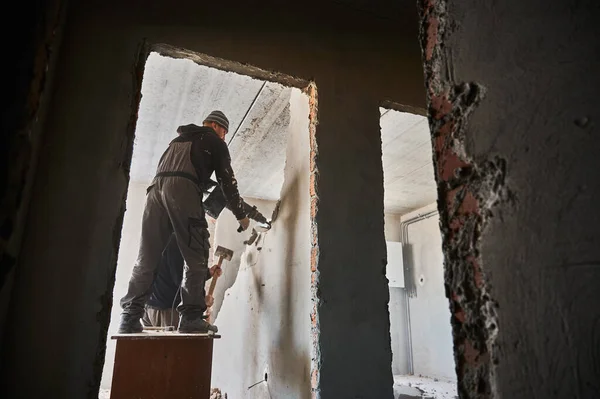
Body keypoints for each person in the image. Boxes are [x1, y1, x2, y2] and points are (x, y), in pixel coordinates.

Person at [118, 110, 250, 334]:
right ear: (218, 127)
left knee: (146, 257)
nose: (224, 137)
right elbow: (227, 181)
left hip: (155, 191)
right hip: (182, 190)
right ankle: (190, 316)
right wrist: (241, 215)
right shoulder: (213, 141)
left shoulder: (177, 141)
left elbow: (174, 172)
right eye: (224, 133)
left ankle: (129, 317)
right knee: (196, 253)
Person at [143, 200, 270, 329]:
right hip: (167, 310)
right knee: (176, 348)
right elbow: (181, 281)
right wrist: (201, 301)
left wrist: (208, 274)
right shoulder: (176, 242)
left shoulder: (165, 237)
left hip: (152, 306)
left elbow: (179, 275)